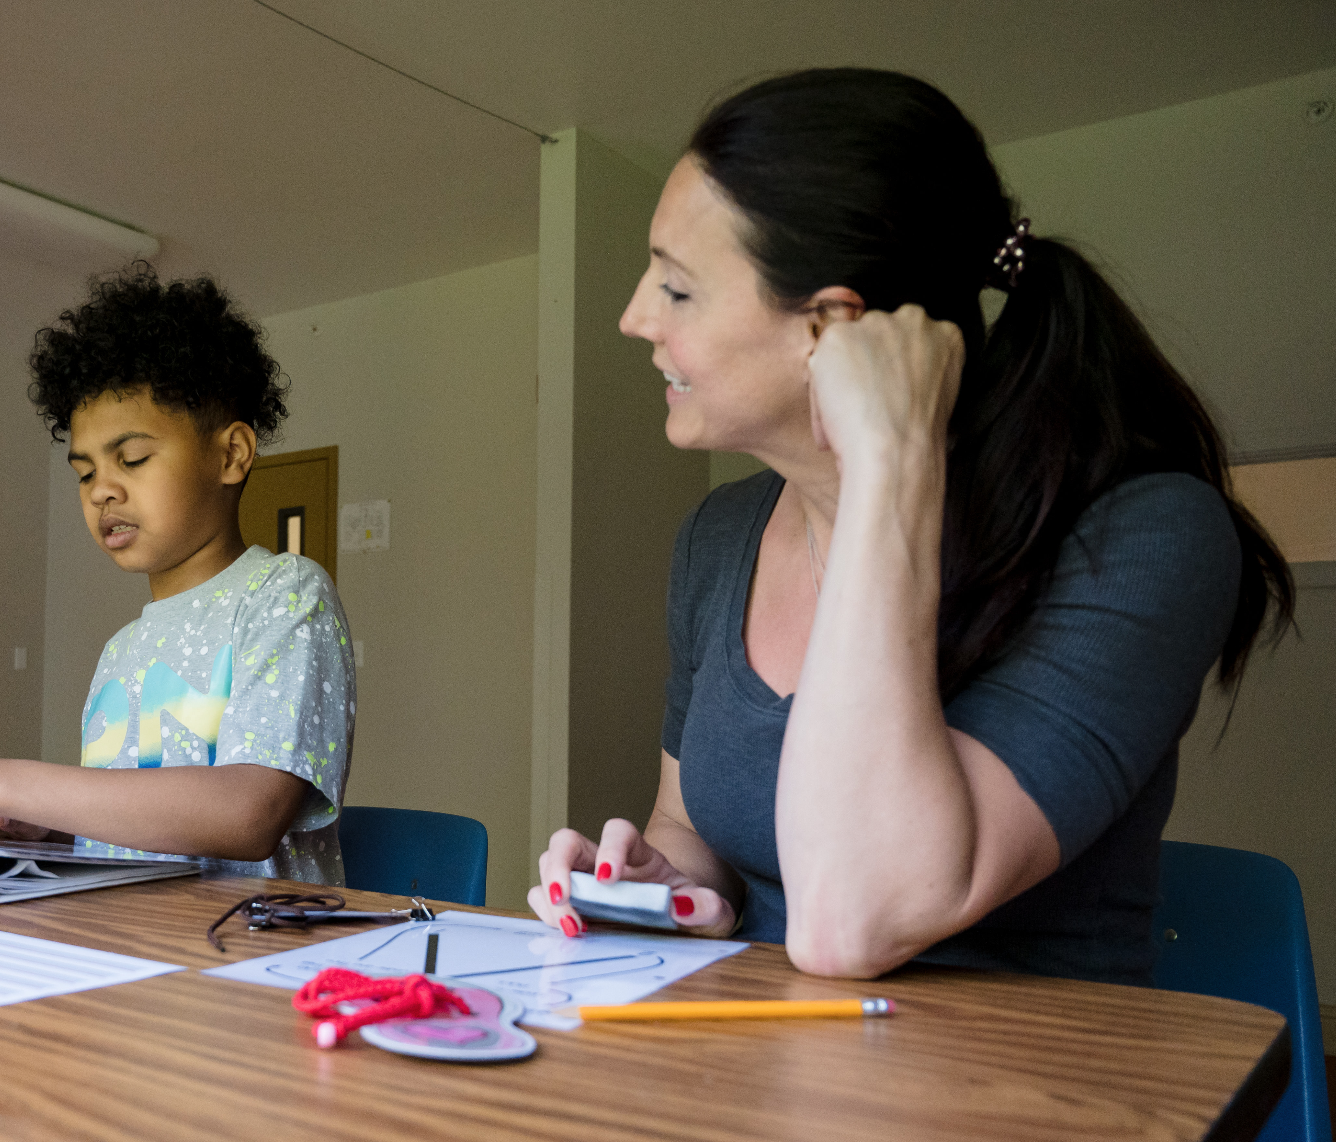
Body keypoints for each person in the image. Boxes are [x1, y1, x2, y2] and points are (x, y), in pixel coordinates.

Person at [530, 68, 1294, 984]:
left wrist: (888, 463)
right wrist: (662, 889)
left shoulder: (1142, 536)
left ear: (830, 328)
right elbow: (691, 826)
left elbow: (854, 923)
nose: (632, 317)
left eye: (677, 288)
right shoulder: (719, 536)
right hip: (760, 1070)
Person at [0, 264, 355, 884]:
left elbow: (248, 814)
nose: (102, 490)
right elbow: (138, 838)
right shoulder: (121, 651)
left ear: (231, 454)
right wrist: (35, 825)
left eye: (131, 458)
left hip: (242, 965)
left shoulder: (286, 596)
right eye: (84, 472)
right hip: (131, 950)